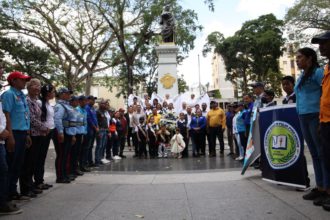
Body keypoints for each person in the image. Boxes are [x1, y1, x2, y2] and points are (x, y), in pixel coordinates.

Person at [294, 47, 327, 205]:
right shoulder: (301, 75)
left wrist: (322, 118)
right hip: (303, 116)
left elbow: (325, 94)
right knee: (314, 153)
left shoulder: (318, 72)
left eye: (300, 57)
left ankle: (327, 189)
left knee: (322, 153)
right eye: (296, 58)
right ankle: (319, 186)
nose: (297, 60)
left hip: (316, 116)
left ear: (309, 58)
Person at [2, 71, 32, 200]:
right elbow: (6, 114)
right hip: (13, 133)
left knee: (18, 164)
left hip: (22, 133)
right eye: (22, 79)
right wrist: (11, 136)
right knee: (11, 164)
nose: (25, 82)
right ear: (13, 81)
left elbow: (25, 115)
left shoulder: (22, 95)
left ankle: (13, 191)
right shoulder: (9, 94)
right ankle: (7, 194)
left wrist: (27, 133)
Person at [312, 31, 330, 211]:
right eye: (320, 44)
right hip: (325, 122)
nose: (321, 47)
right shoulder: (326, 69)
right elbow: (324, 97)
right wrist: (320, 121)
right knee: (326, 158)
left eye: (325, 42)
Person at [0, 69, 22, 215]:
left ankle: (5, 199)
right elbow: (7, 114)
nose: (1, 71)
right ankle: (3, 202)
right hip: (6, 135)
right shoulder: (8, 94)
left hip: (5, 136)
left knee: (7, 169)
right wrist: (5, 132)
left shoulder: (19, 95)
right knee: (4, 170)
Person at [20, 79, 46, 198]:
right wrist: (43, 127)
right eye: (35, 85)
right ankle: (25, 188)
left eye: (39, 86)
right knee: (28, 163)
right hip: (31, 134)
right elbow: (30, 118)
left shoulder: (36, 101)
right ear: (29, 87)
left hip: (38, 134)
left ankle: (30, 185)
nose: (37, 88)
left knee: (33, 162)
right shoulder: (27, 100)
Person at [53, 87, 76, 183]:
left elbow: (72, 121)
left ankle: (64, 174)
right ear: (62, 94)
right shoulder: (60, 106)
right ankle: (60, 176)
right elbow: (57, 119)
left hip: (68, 133)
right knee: (61, 155)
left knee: (66, 155)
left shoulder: (67, 105)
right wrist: (60, 132)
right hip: (63, 133)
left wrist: (73, 134)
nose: (69, 95)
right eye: (67, 93)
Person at [35, 84, 55, 190]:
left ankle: (40, 180)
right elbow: (38, 118)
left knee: (42, 157)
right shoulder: (39, 102)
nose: (54, 93)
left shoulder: (48, 103)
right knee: (39, 157)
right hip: (42, 133)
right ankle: (37, 181)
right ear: (47, 92)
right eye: (52, 91)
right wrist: (44, 128)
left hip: (49, 132)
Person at [84, 96, 98, 167]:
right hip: (89, 130)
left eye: (94, 100)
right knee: (87, 147)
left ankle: (90, 161)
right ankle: (86, 162)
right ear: (88, 100)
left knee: (90, 146)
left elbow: (95, 118)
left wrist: (97, 126)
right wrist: (95, 127)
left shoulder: (93, 108)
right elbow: (89, 119)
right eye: (92, 100)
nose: (93, 101)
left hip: (93, 130)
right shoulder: (87, 108)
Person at [76, 96, 89, 172]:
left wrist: (85, 132)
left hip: (84, 133)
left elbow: (84, 123)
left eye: (86, 101)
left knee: (84, 150)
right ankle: (77, 167)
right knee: (78, 151)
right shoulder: (78, 110)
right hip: (79, 133)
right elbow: (79, 123)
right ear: (80, 101)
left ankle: (82, 165)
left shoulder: (84, 110)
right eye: (84, 101)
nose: (86, 102)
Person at [95, 100, 109, 166]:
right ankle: (97, 160)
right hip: (100, 130)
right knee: (99, 146)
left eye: (105, 104)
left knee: (102, 146)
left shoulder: (104, 112)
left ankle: (100, 159)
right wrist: (98, 131)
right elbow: (96, 122)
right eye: (103, 104)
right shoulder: (97, 112)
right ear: (100, 104)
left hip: (105, 130)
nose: (105, 105)